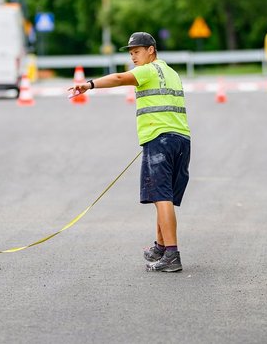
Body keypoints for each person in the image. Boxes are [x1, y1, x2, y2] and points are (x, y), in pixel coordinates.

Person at [67, 31, 190, 273]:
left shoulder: (147, 70)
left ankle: (172, 254)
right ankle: (161, 247)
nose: (133, 57)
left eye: (137, 51)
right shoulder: (172, 73)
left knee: (161, 197)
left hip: (159, 139)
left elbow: (119, 78)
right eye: (131, 53)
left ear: (151, 50)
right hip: (181, 139)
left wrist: (89, 84)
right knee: (164, 197)